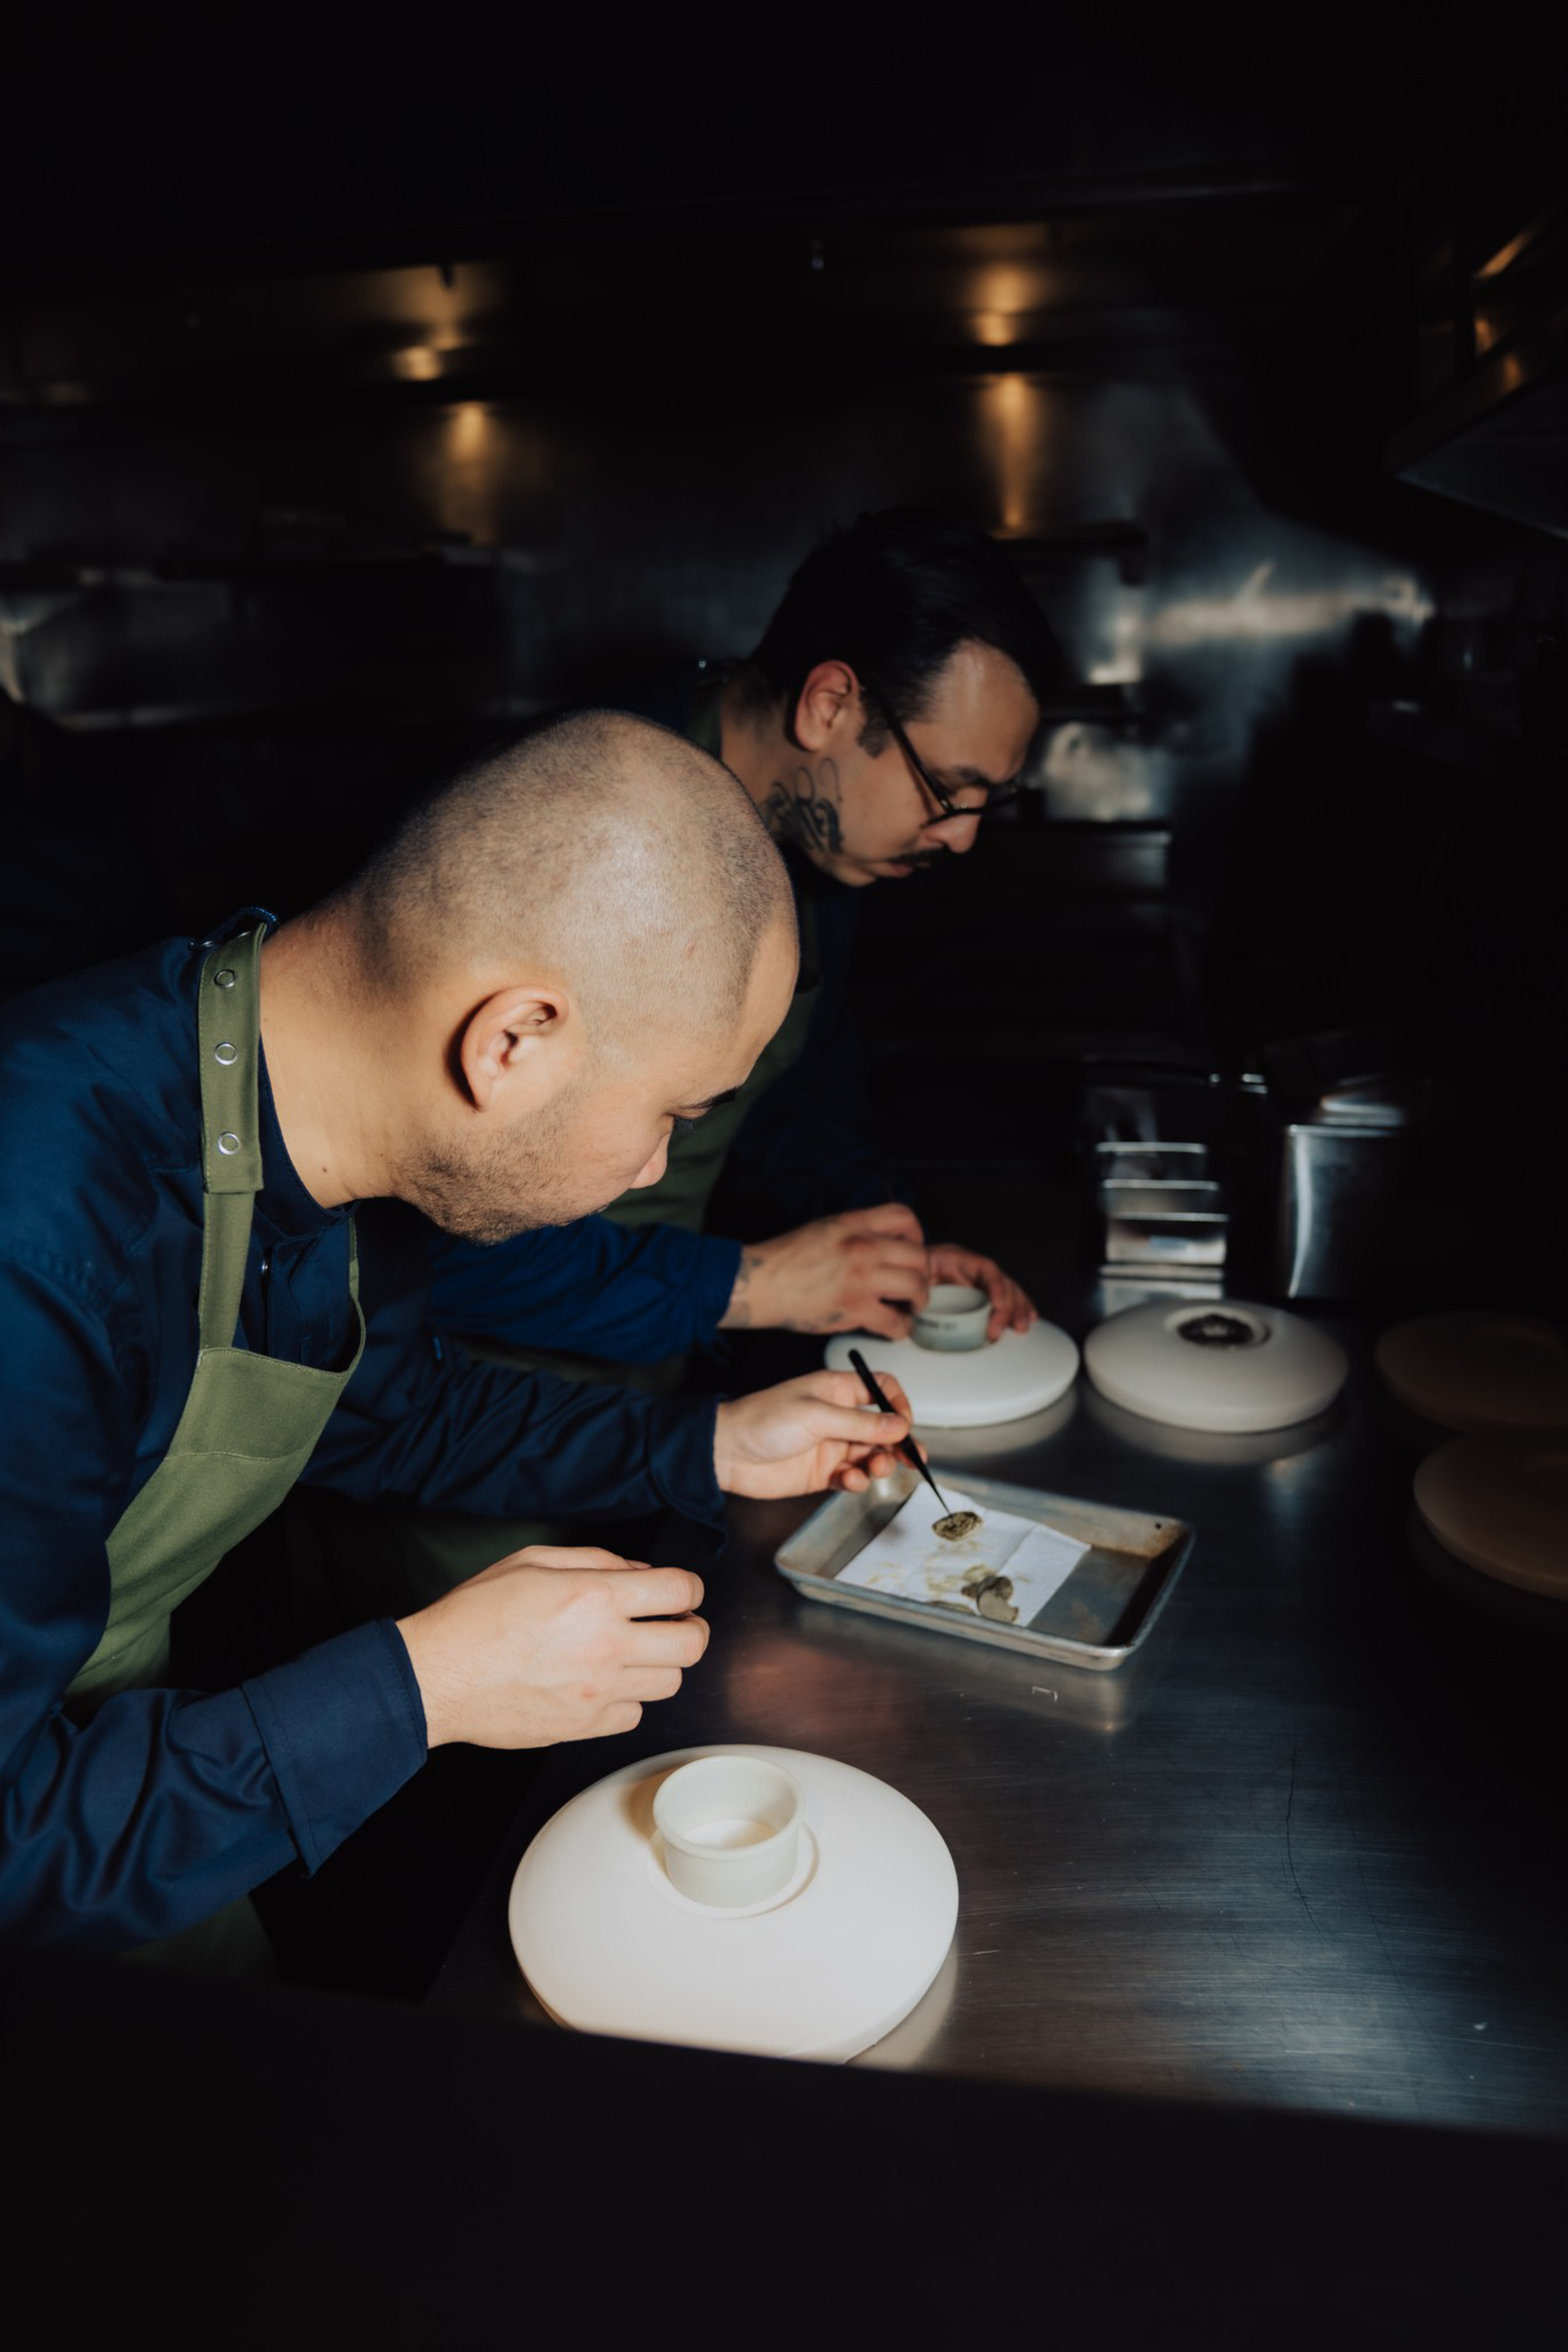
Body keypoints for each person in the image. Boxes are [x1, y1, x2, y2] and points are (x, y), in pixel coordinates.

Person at [0, 711, 914, 1962]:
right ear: (515, 1040)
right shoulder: (37, 1235)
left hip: (131, 1792)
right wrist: (426, 1686)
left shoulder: (322, 1115)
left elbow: (392, 1415)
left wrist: (708, 1445)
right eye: (670, 1115)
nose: (660, 1164)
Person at [334, 511, 1059, 1605]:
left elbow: (800, 1082)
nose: (961, 835)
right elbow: (440, 1246)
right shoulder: (580, 833)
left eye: (988, 803)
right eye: (947, 788)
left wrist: (871, 1240)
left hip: (659, 1408)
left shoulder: (828, 851)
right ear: (830, 704)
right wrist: (752, 1282)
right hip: (457, 1445)